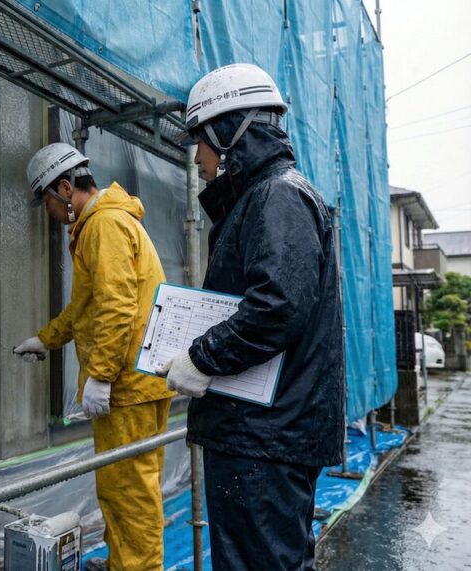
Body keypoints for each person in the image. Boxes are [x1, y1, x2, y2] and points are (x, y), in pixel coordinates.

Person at [158, 63, 345, 570]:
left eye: (200, 141)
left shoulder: (276, 195)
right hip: (265, 432)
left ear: (229, 133)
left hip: (264, 436)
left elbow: (278, 305)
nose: (197, 158)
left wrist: (202, 357)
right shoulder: (264, 196)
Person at [13, 143, 175, 571]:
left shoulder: (103, 225)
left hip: (127, 387)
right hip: (138, 381)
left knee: (130, 493)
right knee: (125, 486)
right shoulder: (106, 222)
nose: (50, 212)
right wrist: (45, 340)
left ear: (65, 189)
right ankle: (124, 562)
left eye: (48, 201)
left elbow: (117, 306)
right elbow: (86, 306)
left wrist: (100, 375)